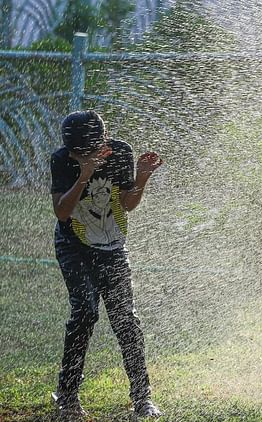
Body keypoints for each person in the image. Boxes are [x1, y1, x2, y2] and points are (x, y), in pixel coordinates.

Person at [49, 110, 163, 418]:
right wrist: (84, 173)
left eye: (83, 153)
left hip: (112, 247)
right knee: (85, 312)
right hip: (73, 246)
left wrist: (141, 177)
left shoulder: (121, 152)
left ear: (102, 141)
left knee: (125, 319)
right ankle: (68, 396)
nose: (77, 155)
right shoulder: (61, 160)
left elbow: (127, 204)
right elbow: (61, 212)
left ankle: (142, 398)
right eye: (74, 152)